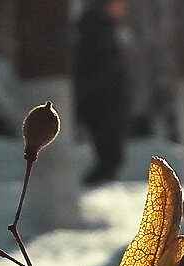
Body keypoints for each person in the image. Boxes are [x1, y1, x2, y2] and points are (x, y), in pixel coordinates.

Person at [73, 0, 130, 185]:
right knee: (109, 155)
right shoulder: (94, 27)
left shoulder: (107, 27)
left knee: (111, 155)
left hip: (108, 97)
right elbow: (96, 62)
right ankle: (95, 186)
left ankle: (100, 184)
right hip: (101, 99)